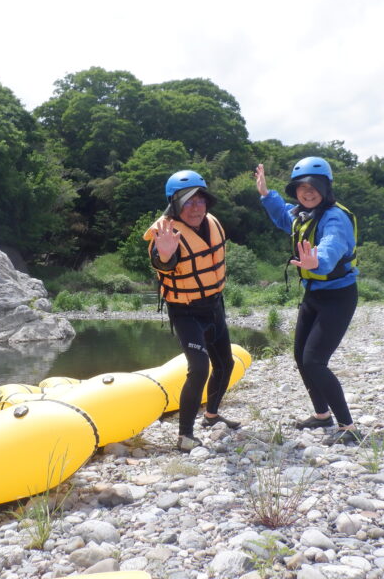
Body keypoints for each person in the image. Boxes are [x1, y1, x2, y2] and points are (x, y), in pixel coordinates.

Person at [255, 157, 363, 445]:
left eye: (313, 186)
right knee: (301, 359)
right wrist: (267, 195)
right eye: (301, 187)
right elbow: (282, 217)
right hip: (314, 294)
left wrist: (317, 261)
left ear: (326, 188)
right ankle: (321, 415)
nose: (307, 192)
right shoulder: (303, 215)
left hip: (338, 297)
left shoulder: (334, 218)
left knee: (315, 361)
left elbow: (331, 246)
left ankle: (348, 428)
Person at [143, 170, 239, 452]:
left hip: (214, 305)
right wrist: (164, 254)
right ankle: (185, 435)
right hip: (185, 311)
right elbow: (164, 263)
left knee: (226, 364)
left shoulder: (211, 223)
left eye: (200, 200)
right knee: (199, 368)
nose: (195, 207)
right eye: (187, 202)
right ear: (174, 204)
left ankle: (211, 415)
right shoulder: (164, 233)